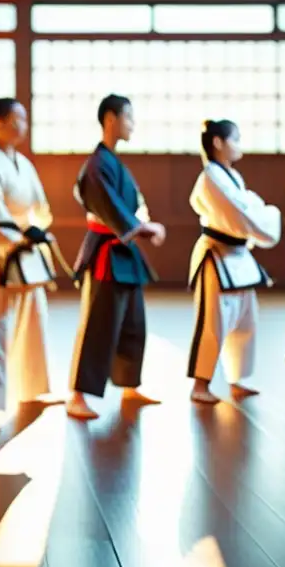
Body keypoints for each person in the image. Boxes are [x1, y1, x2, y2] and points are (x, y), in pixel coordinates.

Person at [0, 97, 72, 434]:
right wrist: (20, 233)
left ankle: (34, 387)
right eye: (17, 119)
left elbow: (41, 208)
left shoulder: (22, 163)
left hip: (27, 250)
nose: (24, 124)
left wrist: (35, 230)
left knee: (34, 318)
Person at [66, 94, 166, 420]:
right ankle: (78, 395)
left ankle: (129, 384)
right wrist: (144, 228)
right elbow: (114, 210)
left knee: (134, 323)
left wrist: (142, 222)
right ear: (110, 118)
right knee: (99, 324)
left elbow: (136, 204)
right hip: (106, 253)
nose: (132, 124)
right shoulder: (96, 165)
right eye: (129, 117)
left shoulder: (114, 163)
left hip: (125, 252)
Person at [186, 119, 282, 404]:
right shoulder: (210, 177)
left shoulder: (231, 176)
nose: (239, 145)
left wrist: (258, 214)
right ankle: (200, 385)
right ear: (218, 142)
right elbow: (244, 213)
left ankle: (237, 378)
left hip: (239, 257)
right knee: (213, 322)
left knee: (245, 319)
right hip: (216, 255)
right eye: (235, 139)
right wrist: (264, 216)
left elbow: (247, 208)